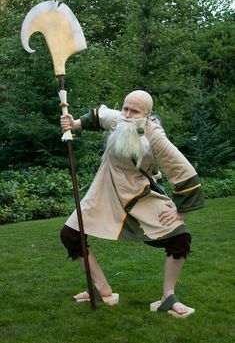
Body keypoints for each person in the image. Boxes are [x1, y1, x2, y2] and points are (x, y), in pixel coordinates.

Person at [60, 90, 204, 317]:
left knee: (180, 237)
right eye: (125, 108)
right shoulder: (118, 119)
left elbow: (184, 171)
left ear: (147, 115)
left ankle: (168, 296)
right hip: (105, 189)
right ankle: (101, 288)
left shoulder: (155, 136)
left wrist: (181, 211)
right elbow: (97, 117)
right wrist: (74, 123)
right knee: (70, 234)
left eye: (134, 111)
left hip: (138, 193)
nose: (126, 114)